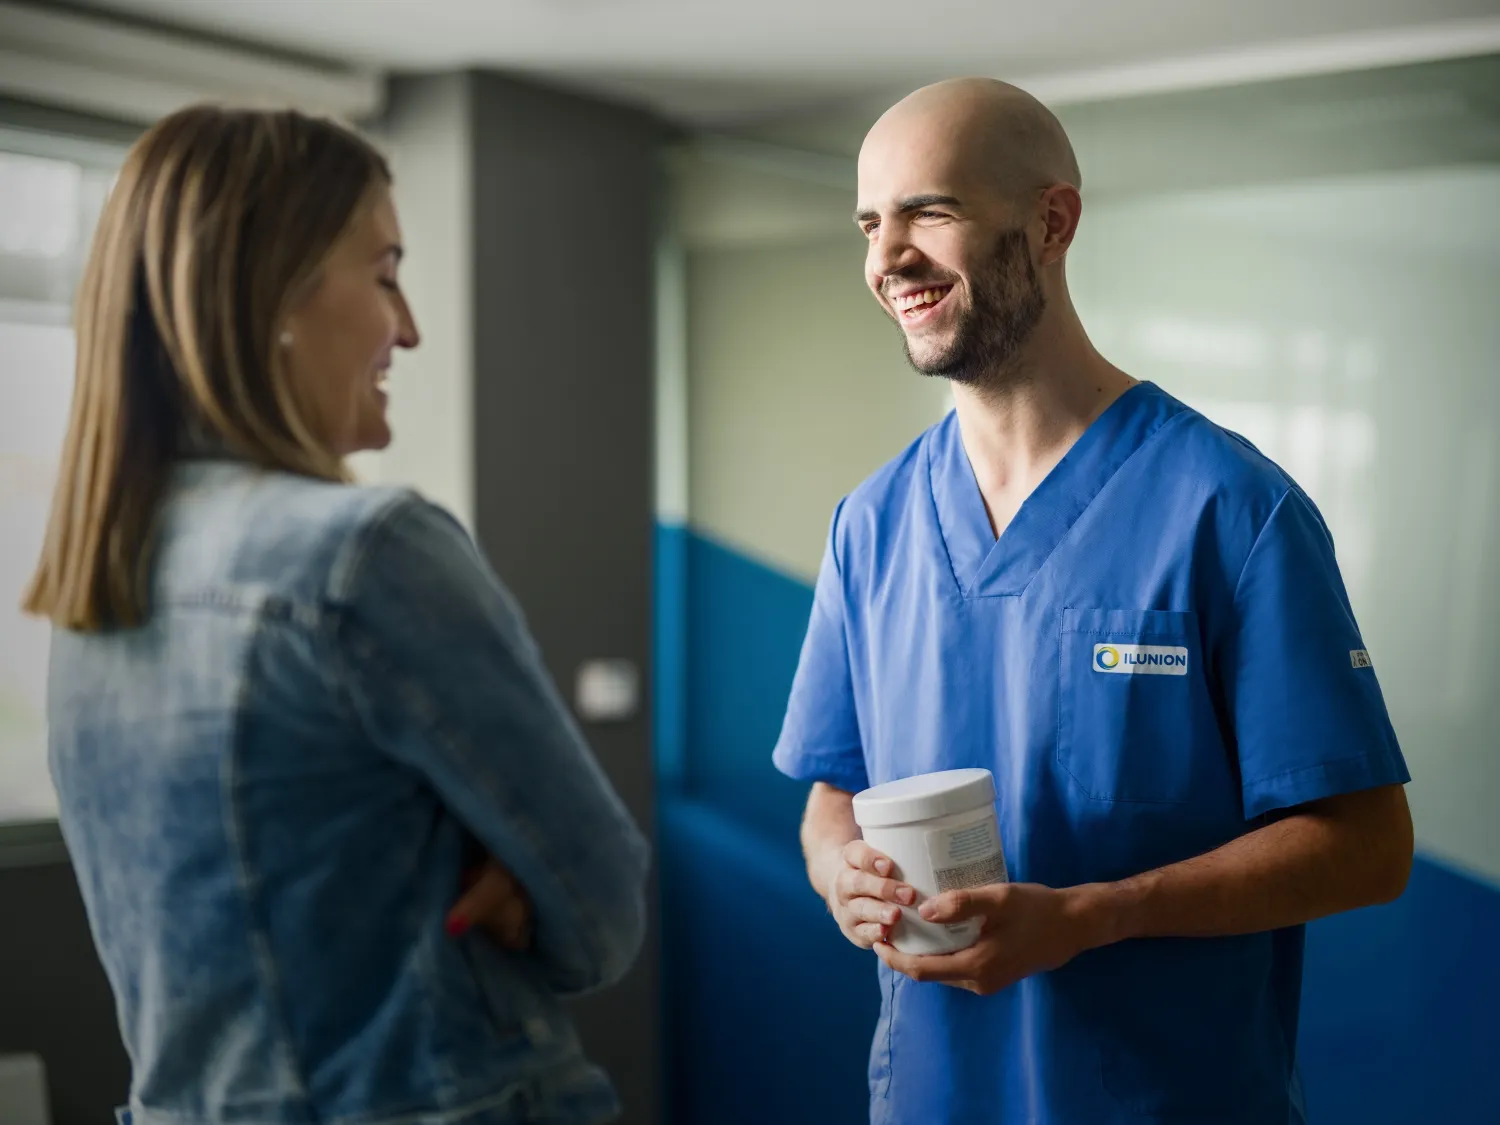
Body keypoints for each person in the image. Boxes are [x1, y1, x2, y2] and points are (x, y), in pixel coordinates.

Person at [772, 78, 1413, 1124]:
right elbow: (830, 794)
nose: (888, 256)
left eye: (929, 211)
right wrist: (840, 871)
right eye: (870, 223)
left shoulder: (1229, 508)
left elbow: (1367, 846)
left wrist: (1094, 915)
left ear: (1052, 222)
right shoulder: (871, 524)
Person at [23, 105, 648, 1125]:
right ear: (277, 290)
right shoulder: (366, 552)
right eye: (385, 273)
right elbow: (602, 908)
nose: (409, 327)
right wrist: (505, 868)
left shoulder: (94, 588)